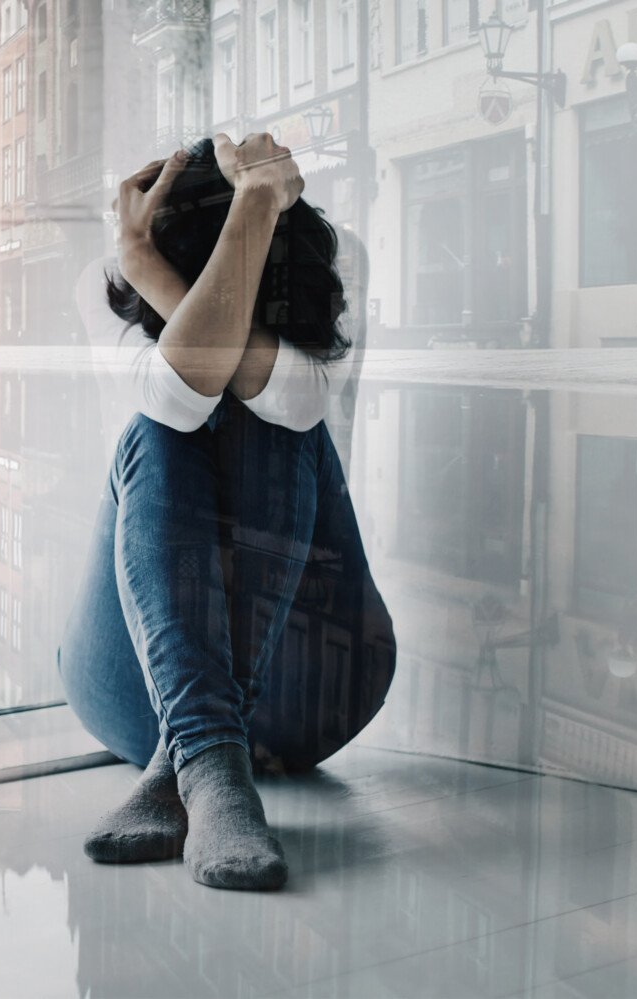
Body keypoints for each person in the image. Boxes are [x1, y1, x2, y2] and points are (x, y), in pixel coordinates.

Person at [58, 134, 396, 892]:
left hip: (312, 688)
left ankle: (194, 761)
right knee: (161, 421)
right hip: (128, 690)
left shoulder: (330, 269)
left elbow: (298, 397)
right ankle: (210, 759)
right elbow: (178, 392)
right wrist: (141, 262)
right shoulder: (103, 277)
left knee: (279, 415)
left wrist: (238, 219)